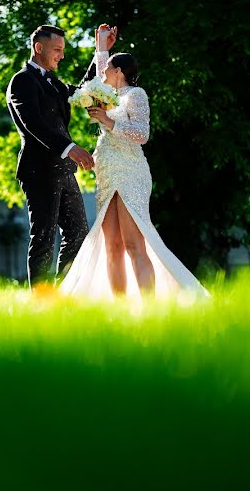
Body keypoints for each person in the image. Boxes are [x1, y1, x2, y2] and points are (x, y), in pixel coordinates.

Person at [59, 25, 210, 301]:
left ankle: (149, 306)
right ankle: (120, 309)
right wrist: (102, 44)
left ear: (119, 72)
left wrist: (107, 120)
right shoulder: (108, 93)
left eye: (108, 69)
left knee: (133, 242)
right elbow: (98, 75)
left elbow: (142, 134)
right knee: (112, 244)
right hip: (106, 171)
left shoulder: (135, 95)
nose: (102, 72)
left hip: (129, 171)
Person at [6, 24, 114, 289]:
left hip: (64, 171)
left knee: (78, 234)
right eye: (57, 50)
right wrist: (70, 148)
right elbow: (32, 122)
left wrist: (100, 49)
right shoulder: (21, 81)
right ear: (38, 48)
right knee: (43, 237)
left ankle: (63, 294)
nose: (61, 56)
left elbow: (83, 91)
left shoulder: (53, 82)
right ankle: (41, 302)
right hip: (38, 171)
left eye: (63, 50)